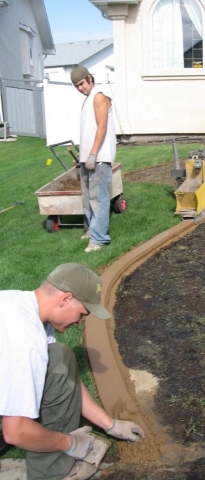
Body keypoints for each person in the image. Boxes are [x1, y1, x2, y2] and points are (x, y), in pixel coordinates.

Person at [0, 263, 145, 480]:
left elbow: (64, 380)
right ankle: (53, 473)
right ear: (66, 299)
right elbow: (16, 432)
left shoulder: (18, 303)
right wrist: (69, 443)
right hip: (13, 428)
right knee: (59, 359)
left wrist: (111, 425)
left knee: (58, 357)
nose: (79, 322)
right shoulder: (25, 342)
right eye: (81, 314)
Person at [70, 66, 116, 253]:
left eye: (81, 83)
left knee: (99, 198)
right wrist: (83, 156)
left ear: (89, 78)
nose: (80, 88)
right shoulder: (89, 98)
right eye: (76, 86)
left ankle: (99, 239)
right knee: (88, 197)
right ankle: (92, 230)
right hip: (88, 157)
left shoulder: (99, 95)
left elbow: (102, 127)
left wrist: (94, 154)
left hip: (100, 158)